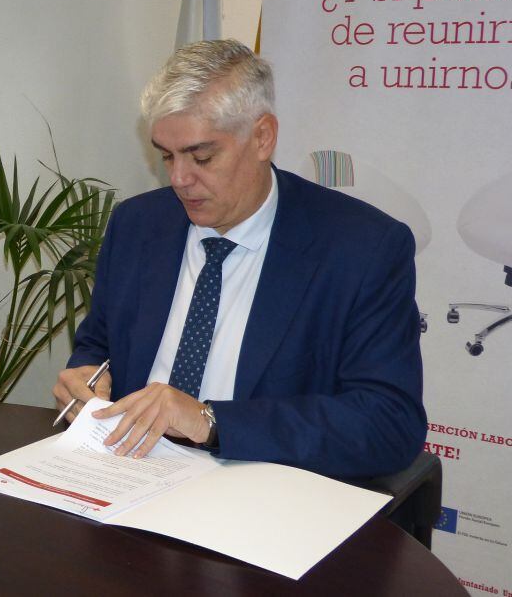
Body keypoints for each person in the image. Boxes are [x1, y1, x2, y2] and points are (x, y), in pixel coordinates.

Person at [52, 39, 426, 479]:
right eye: (166, 156)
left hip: (265, 494)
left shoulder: (363, 247)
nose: (179, 179)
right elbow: (101, 344)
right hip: (128, 476)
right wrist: (86, 375)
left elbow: (388, 424)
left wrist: (212, 422)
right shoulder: (137, 225)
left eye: (202, 157)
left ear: (263, 137)